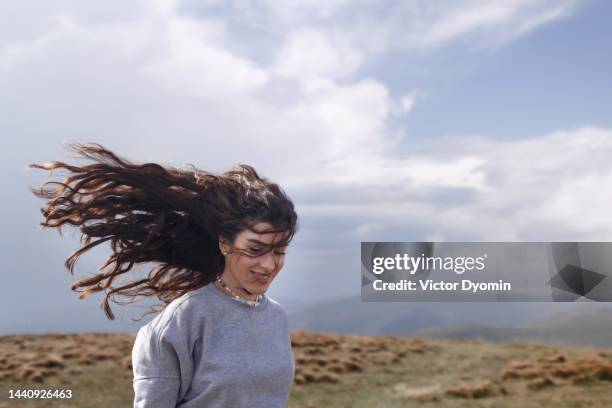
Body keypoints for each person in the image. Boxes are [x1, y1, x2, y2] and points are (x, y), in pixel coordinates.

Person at [29, 143, 299, 407]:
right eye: (255, 249)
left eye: (280, 251)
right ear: (224, 243)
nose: (268, 264)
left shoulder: (275, 317)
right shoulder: (182, 321)